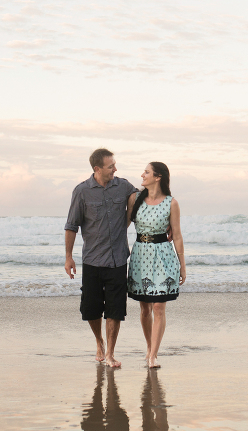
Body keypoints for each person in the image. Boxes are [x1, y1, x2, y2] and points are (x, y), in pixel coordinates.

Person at [65, 148, 137, 368]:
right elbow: (71, 226)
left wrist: (129, 217)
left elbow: (139, 196)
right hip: (93, 260)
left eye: (114, 164)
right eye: (110, 166)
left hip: (117, 260)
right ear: (97, 169)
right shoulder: (82, 191)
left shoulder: (123, 186)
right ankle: (99, 342)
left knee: (116, 309)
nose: (115, 168)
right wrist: (68, 257)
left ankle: (111, 353)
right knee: (91, 308)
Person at [126, 162, 185, 369]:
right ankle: (149, 346)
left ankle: (153, 355)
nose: (142, 175)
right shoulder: (135, 199)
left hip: (163, 256)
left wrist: (182, 265)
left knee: (159, 306)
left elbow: (176, 235)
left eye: (147, 172)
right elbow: (123, 225)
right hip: (141, 255)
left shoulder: (171, 203)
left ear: (158, 177)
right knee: (144, 308)